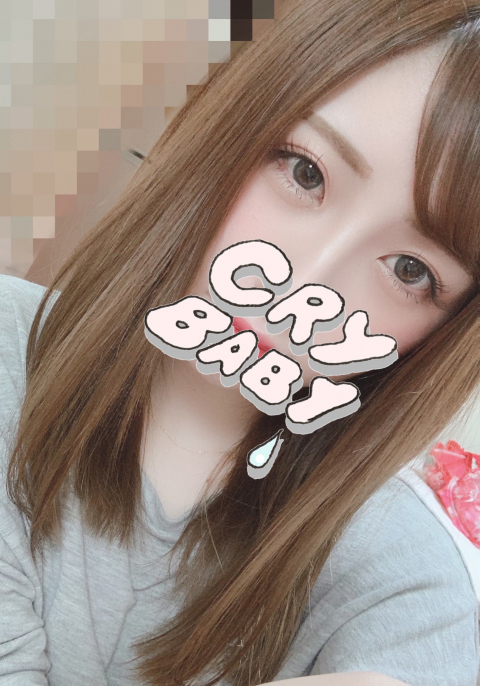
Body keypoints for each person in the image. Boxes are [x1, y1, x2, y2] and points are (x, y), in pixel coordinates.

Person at [1, 1, 479, 685]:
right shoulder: (10, 344)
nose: (304, 285)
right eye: (305, 173)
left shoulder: (404, 579)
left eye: (410, 271)